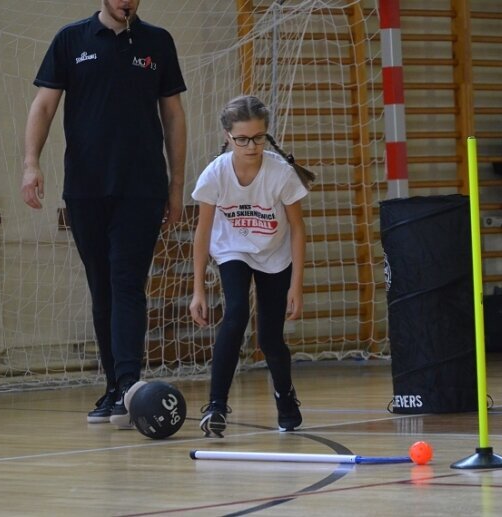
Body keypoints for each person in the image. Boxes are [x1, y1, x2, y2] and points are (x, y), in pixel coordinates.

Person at [21, 0, 187, 428]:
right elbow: (43, 106)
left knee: (127, 282)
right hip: (86, 188)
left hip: (143, 188)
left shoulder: (157, 42)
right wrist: (30, 163)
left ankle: (130, 387)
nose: (126, 2)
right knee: (102, 288)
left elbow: (172, 115)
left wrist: (176, 186)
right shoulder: (70, 40)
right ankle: (114, 386)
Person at [189, 95, 315, 437]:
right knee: (235, 315)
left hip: (275, 256)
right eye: (242, 139)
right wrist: (198, 289)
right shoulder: (215, 175)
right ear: (228, 137)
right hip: (233, 251)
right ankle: (216, 406)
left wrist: (296, 285)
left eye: (258, 137)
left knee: (270, 338)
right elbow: (202, 233)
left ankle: (285, 397)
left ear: (266, 134)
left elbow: (298, 229)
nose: (251, 145)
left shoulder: (280, 174)